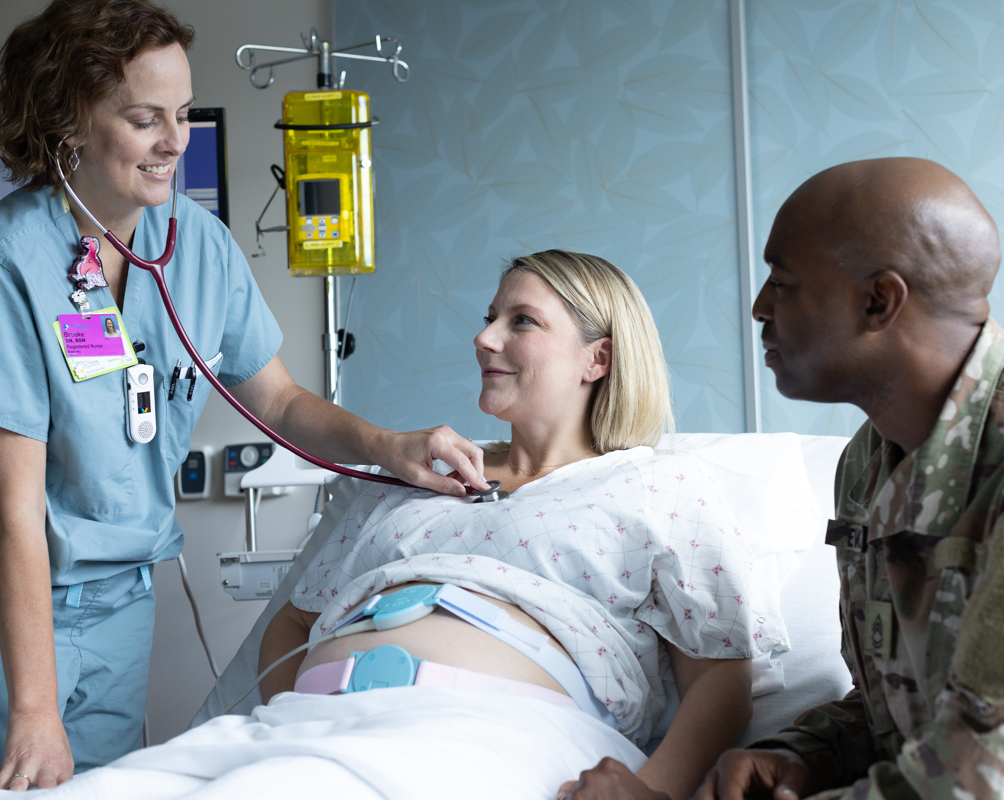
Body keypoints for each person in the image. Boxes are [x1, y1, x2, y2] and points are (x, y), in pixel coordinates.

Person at [0, 0, 488, 791]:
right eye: (144, 118)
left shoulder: (195, 243)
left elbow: (279, 399)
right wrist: (35, 710)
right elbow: (14, 509)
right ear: (69, 124)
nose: (175, 142)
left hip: (118, 592)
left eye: (184, 114)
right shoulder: (9, 264)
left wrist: (390, 448)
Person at [257, 250, 785, 800]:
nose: (485, 339)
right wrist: (282, 720)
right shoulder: (420, 471)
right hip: (304, 734)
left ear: (597, 359)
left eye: (522, 321)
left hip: (501, 741)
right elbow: (294, 623)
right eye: (488, 318)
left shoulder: (659, 486)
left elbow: (720, 674)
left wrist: (650, 791)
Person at [685, 157, 1004, 800]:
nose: (757, 307)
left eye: (783, 281)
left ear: (878, 300)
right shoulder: (866, 462)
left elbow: (976, 777)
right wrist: (803, 754)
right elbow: (901, 705)